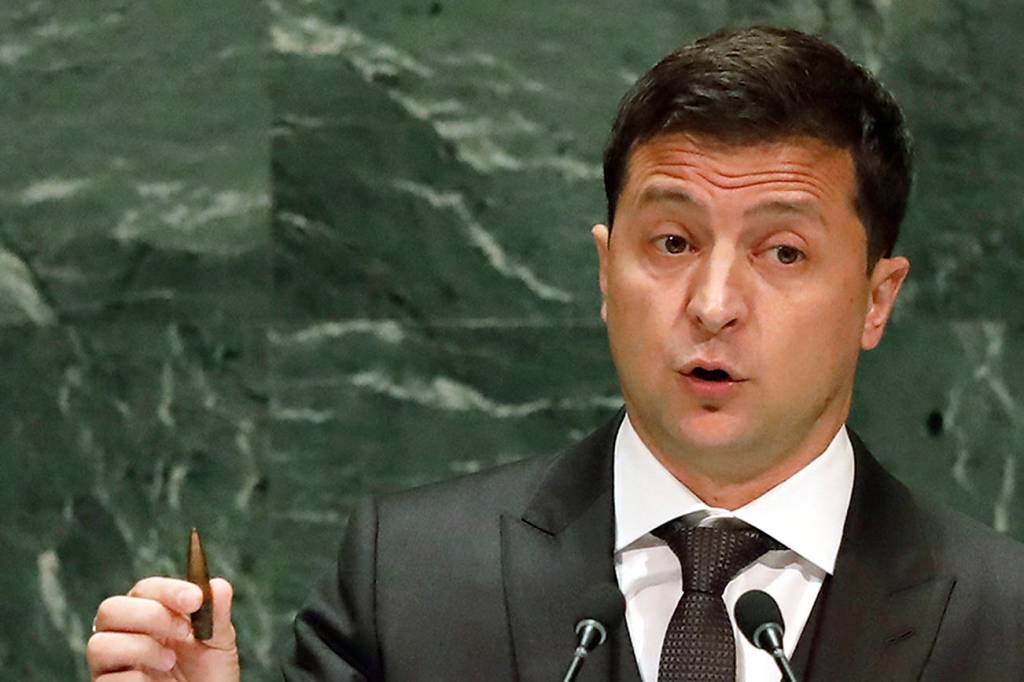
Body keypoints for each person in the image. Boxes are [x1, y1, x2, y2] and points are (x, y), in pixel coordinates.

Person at [86, 26, 1024, 682]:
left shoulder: (1004, 620)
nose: (713, 304)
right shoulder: (408, 582)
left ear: (875, 298)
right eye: (672, 242)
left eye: (783, 252)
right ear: (605, 272)